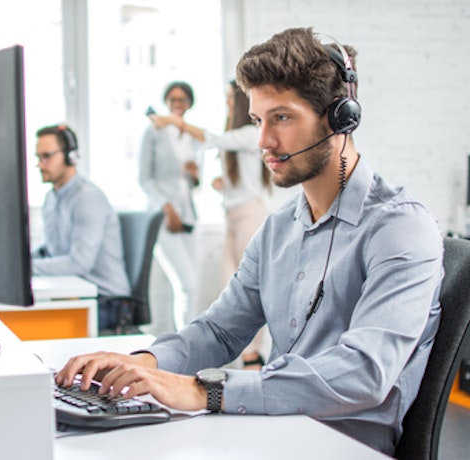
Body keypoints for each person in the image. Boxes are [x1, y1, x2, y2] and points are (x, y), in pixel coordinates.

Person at [55, 28, 443, 456]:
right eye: (258, 120)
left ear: (340, 117)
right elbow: (220, 331)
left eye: (281, 117)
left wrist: (208, 390)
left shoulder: (399, 227)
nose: (263, 142)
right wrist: (142, 363)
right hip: (271, 432)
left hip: (342, 447)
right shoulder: (279, 228)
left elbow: (364, 373)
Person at [154, 79, 273, 369]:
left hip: (250, 218)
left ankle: (253, 357)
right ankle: (242, 357)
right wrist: (224, 184)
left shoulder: (250, 132)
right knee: (230, 291)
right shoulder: (238, 135)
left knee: (254, 291)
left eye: (231, 98)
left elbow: (213, 139)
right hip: (232, 218)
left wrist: (175, 123)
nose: (228, 103)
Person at [32, 124, 130, 331]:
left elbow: (79, 263)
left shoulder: (87, 198)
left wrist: (25, 270)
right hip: (73, 292)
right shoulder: (51, 198)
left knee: (38, 330)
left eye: (46, 156)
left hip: (106, 302)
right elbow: (51, 250)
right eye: (38, 157)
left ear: (70, 157)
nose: (40, 164)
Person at [138, 81, 203, 332]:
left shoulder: (193, 136)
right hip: (163, 218)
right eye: (173, 100)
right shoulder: (153, 132)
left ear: (189, 104)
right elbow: (144, 178)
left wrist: (195, 175)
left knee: (191, 286)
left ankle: (186, 341)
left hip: (190, 217)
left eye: (182, 100)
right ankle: (186, 347)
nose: (177, 105)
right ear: (166, 102)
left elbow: (195, 185)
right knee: (185, 284)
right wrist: (166, 208)